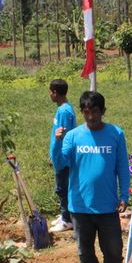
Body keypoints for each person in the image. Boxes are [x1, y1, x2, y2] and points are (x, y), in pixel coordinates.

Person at [52, 90, 129, 263]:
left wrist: (124, 195)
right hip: (80, 206)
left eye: (94, 111)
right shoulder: (73, 136)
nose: (91, 116)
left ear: (103, 111)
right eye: (86, 112)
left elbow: (122, 166)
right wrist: (57, 142)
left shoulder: (116, 134)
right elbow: (59, 163)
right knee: (84, 250)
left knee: (113, 248)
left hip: (107, 205)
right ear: (82, 112)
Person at [48, 79, 76, 233]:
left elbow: (64, 135)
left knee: (63, 188)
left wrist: (59, 154)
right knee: (62, 187)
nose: (50, 95)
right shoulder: (63, 109)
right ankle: (64, 214)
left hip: (63, 157)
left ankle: (67, 220)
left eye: (50, 92)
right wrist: (52, 153)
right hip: (58, 155)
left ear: (55, 93)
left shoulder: (64, 111)